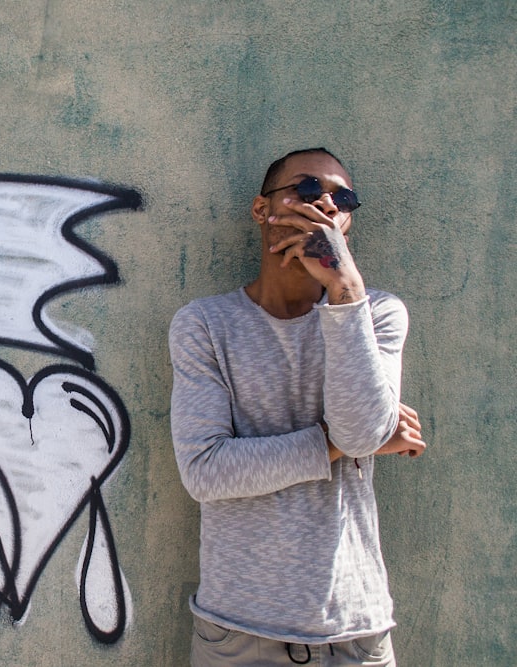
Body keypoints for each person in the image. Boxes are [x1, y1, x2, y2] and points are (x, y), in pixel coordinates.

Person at [169, 148, 426, 666]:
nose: (325, 204)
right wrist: (331, 443)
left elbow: (360, 434)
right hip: (240, 633)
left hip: (355, 632)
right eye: (306, 189)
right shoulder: (206, 325)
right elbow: (206, 471)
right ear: (262, 210)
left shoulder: (376, 313)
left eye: (341, 198)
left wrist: (345, 289)